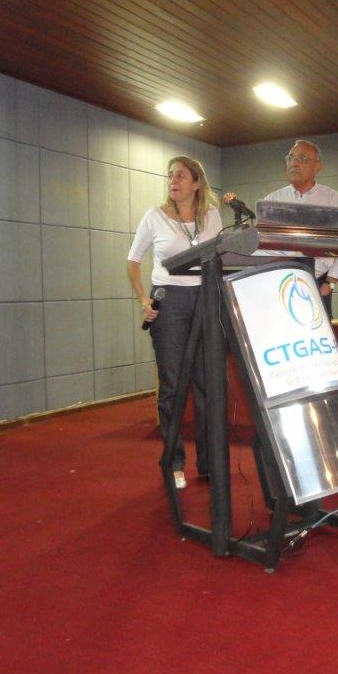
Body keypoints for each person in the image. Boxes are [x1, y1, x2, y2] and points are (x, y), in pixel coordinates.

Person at [127, 156, 222, 489]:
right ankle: (174, 462)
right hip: (170, 302)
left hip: (205, 300)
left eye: (180, 175)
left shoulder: (212, 216)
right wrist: (143, 299)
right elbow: (133, 261)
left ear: (197, 183)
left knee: (207, 386)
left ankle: (209, 463)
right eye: (170, 176)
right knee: (173, 385)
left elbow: (219, 259)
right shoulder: (155, 216)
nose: (173, 181)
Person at [225, 139, 338, 318]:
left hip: (317, 281)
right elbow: (262, 245)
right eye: (291, 158)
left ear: (317, 167)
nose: (294, 163)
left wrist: (329, 284)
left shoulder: (332, 199)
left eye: (302, 158)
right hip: (277, 281)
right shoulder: (271, 200)